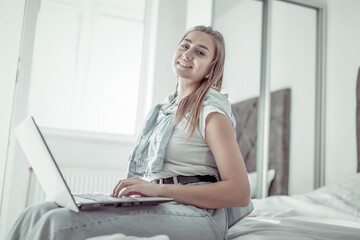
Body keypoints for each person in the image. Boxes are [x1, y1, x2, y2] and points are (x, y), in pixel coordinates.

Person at [8, 25, 252, 240]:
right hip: (163, 202)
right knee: (37, 212)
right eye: (184, 46)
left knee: (58, 223)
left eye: (200, 52)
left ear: (211, 68)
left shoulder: (212, 111)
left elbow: (239, 192)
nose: (188, 54)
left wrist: (159, 190)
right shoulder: (164, 109)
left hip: (202, 215)